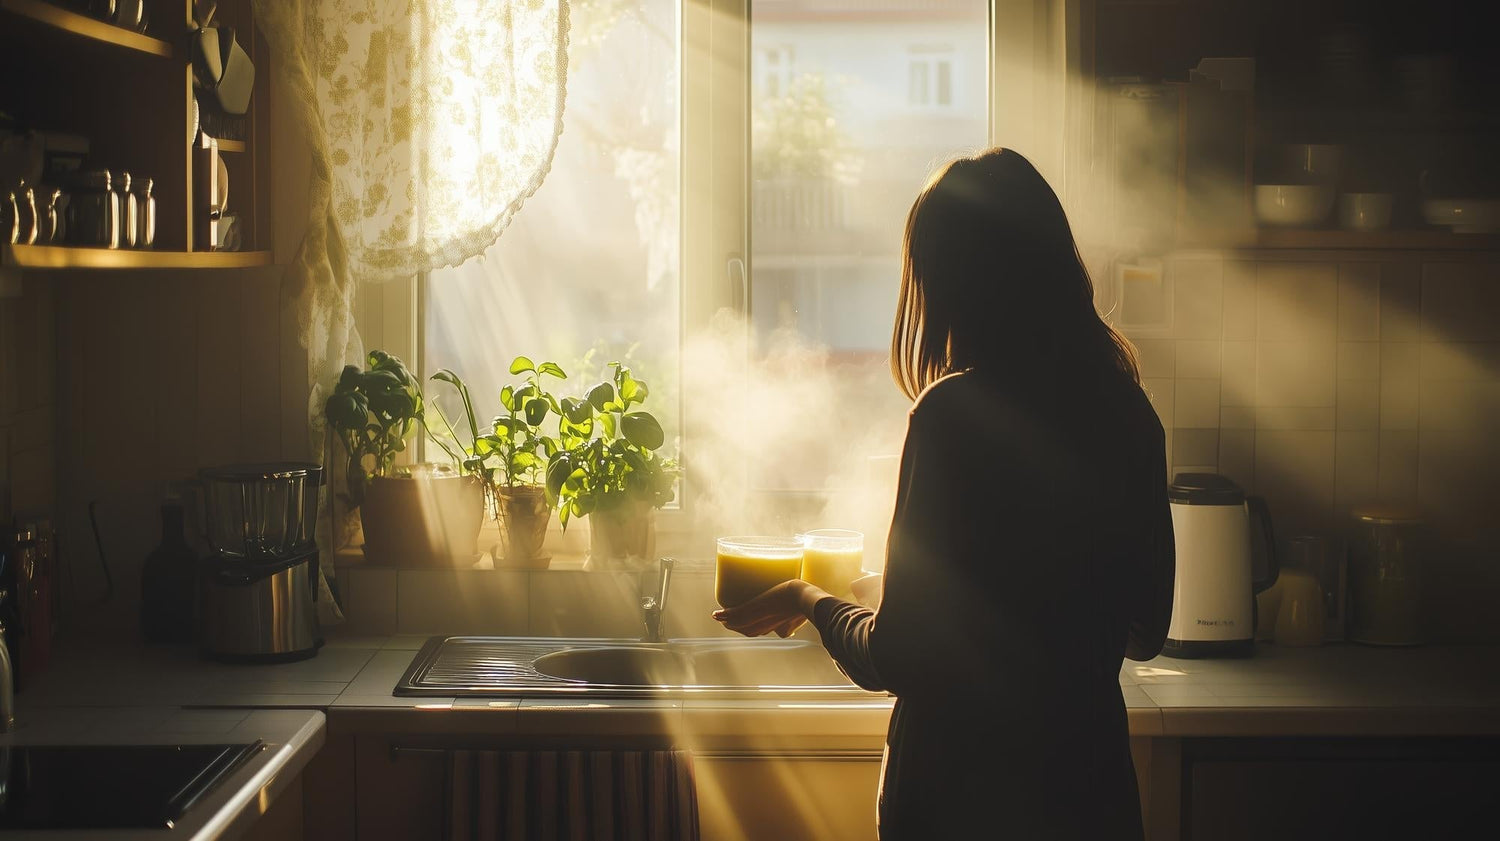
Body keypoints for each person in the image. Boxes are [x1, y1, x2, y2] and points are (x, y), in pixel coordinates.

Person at [713, 148, 1175, 840]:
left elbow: (897, 658)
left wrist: (809, 599)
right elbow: (1142, 628)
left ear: (951, 284)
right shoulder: (1129, 414)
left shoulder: (953, 415)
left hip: (959, 802)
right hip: (1088, 798)